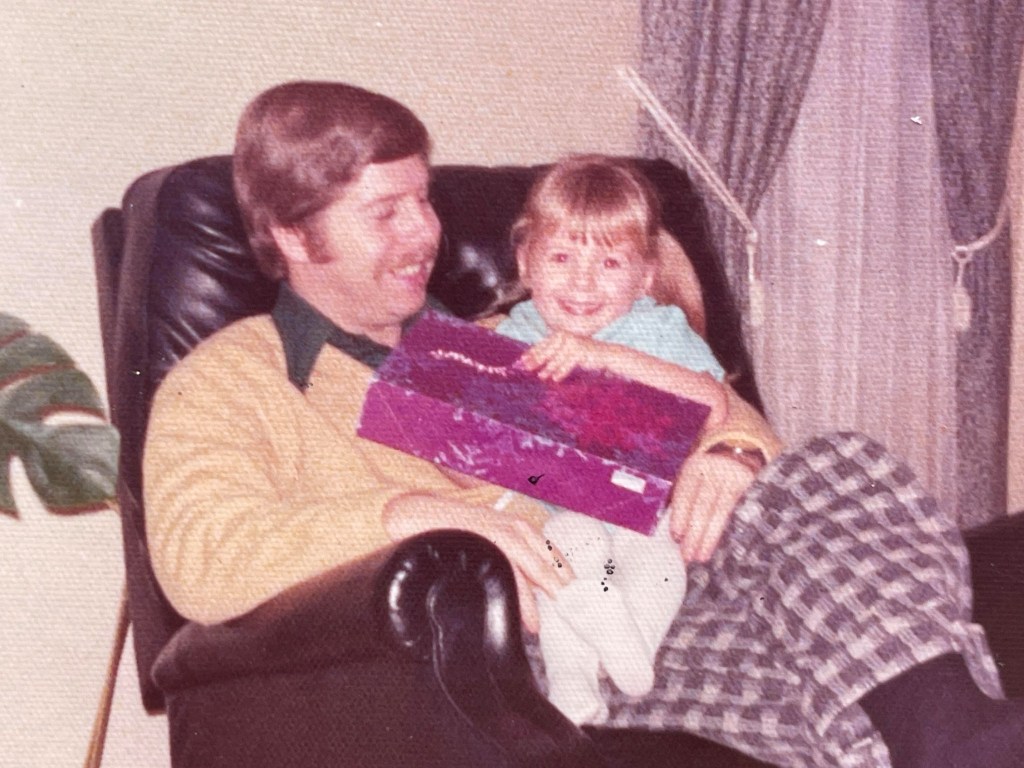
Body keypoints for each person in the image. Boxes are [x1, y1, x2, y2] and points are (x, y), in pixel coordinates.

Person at [143, 81, 1024, 768]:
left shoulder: (493, 349)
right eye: (386, 212)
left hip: (668, 581)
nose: (424, 233)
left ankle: (959, 739)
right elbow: (201, 556)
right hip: (545, 643)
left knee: (835, 477)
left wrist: (730, 451)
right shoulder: (232, 380)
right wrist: (413, 515)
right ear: (294, 236)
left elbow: (707, 423)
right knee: (856, 671)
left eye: (424, 200)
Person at [488, 154, 729, 725]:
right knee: (562, 553)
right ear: (525, 262)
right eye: (562, 257)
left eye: (610, 262)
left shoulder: (656, 328)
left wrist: (606, 357)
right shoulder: (510, 337)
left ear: (645, 276)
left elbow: (715, 405)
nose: (582, 281)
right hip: (555, 510)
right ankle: (572, 686)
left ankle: (628, 654)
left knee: (660, 564)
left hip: (644, 511)